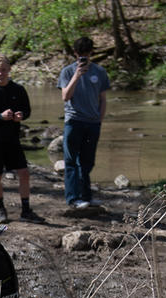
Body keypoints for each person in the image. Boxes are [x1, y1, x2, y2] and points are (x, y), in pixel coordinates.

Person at [0, 55, 43, 224]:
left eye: (3, 70)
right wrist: (0, 117)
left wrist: (21, 116)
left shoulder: (18, 90)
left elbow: (27, 111)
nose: (0, 73)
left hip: (13, 139)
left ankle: (26, 210)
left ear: (9, 71)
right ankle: (1, 210)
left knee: (24, 173)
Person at [57, 36, 110, 209]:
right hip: (74, 122)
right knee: (71, 162)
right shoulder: (67, 72)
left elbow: (103, 99)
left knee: (87, 162)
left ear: (91, 53)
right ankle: (73, 198)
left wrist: (99, 120)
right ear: (75, 54)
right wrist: (77, 75)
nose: (84, 57)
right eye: (81, 54)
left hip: (93, 123)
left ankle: (86, 196)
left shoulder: (100, 72)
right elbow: (66, 96)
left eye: (87, 54)